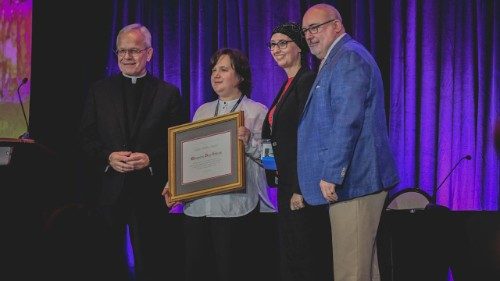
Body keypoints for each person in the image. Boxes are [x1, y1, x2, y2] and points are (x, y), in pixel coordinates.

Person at [298, 4, 400, 281]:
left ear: (337, 26)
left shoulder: (348, 58)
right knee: (364, 269)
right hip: (355, 183)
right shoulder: (337, 58)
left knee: (351, 272)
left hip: (355, 181)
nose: (309, 35)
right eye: (306, 30)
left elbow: (347, 119)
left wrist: (332, 173)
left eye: (316, 27)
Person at [79, 23, 184, 281]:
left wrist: (151, 159)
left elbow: (178, 141)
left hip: (149, 192)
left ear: (149, 53)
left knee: (153, 264)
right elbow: (85, 138)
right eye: (121, 51)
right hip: (108, 192)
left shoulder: (168, 93)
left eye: (134, 51)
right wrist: (108, 157)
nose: (126, 57)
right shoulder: (98, 91)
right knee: (105, 264)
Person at [163, 48, 276, 281]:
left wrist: (250, 142)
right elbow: (190, 158)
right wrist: (173, 184)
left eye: (224, 69)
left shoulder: (257, 111)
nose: (216, 74)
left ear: (240, 77)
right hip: (198, 208)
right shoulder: (202, 111)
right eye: (214, 70)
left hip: (235, 208)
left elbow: (271, 160)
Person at [261, 22, 332, 281]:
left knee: (306, 257)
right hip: (286, 184)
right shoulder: (288, 84)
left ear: (299, 47)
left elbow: (311, 136)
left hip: (301, 188)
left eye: (282, 43)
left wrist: (300, 188)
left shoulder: (308, 80)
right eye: (272, 44)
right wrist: (273, 175)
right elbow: (275, 138)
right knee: (291, 256)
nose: (276, 49)